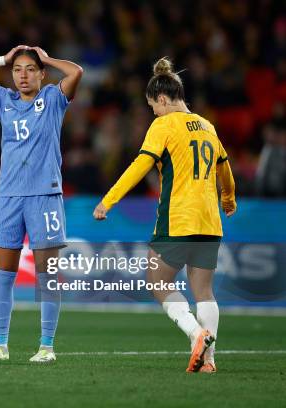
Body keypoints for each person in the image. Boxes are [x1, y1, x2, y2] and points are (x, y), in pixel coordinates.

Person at [93, 57, 236, 373]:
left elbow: (139, 165)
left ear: (161, 99)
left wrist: (109, 200)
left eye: (152, 107)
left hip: (177, 219)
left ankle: (196, 334)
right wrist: (228, 199)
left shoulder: (164, 125)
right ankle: (209, 362)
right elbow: (224, 167)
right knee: (204, 291)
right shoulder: (208, 126)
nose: (153, 113)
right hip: (209, 221)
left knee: (157, 280)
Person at [0, 46, 83, 362]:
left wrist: (49, 58)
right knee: (4, 275)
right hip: (7, 197)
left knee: (47, 275)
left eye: (30, 69)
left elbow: (76, 72)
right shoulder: (3, 99)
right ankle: (0, 346)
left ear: (41, 74)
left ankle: (47, 347)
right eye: (17, 70)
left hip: (45, 196)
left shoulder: (53, 99)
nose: (23, 75)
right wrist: (1, 59)